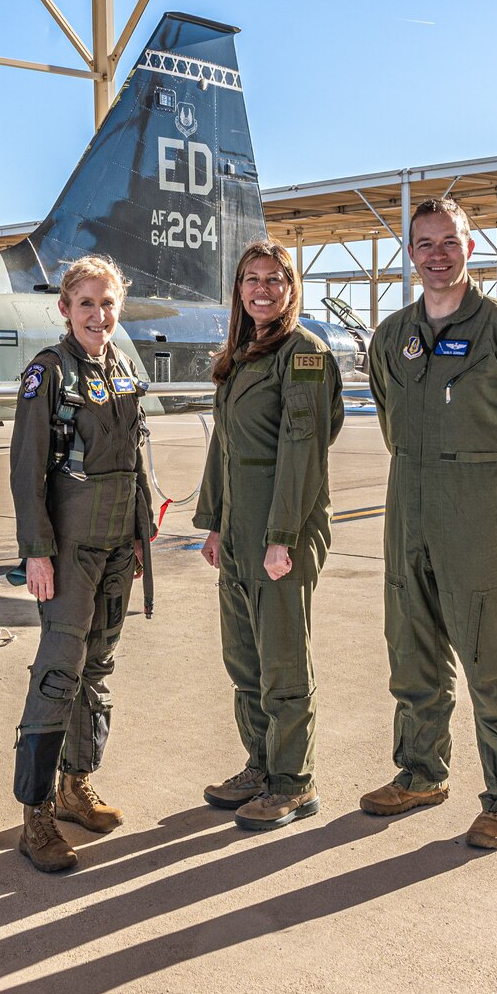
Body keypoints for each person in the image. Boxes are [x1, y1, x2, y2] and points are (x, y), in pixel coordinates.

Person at [361, 197, 497, 849]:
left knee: (488, 653)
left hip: (477, 506)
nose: (438, 254)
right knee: (411, 643)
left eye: (449, 241)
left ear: (470, 248)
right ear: (411, 253)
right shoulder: (394, 334)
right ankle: (420, 771)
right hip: (409, 499)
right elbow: (389, 410)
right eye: (425, 243)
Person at [6, 256, 157, 872]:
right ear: (65, 308)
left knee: (97, 671)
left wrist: (143, 538)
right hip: (69, 552)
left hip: (120, 544)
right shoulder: (49, 374)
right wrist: (36, 552)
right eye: (87, 304)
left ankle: (76, 784)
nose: (100, 315)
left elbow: (136, 460)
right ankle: (35, 814)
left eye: (109, 304)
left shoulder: (122, 368)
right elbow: (26, 470)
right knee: (58, 673)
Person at [195, 239, 344, 831]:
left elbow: (302, 452)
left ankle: (292, 781)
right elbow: (223, 446)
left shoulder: (302, 355)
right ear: (239, 289)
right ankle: (260, 764)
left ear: (291, 288)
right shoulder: (242, 355)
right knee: (245, 659)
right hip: (238, 529)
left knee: (283, 659)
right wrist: (212, 524)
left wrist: (281, 536)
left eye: (274, 279)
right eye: (251, 279)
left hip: (281, 528)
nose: (261, 289)